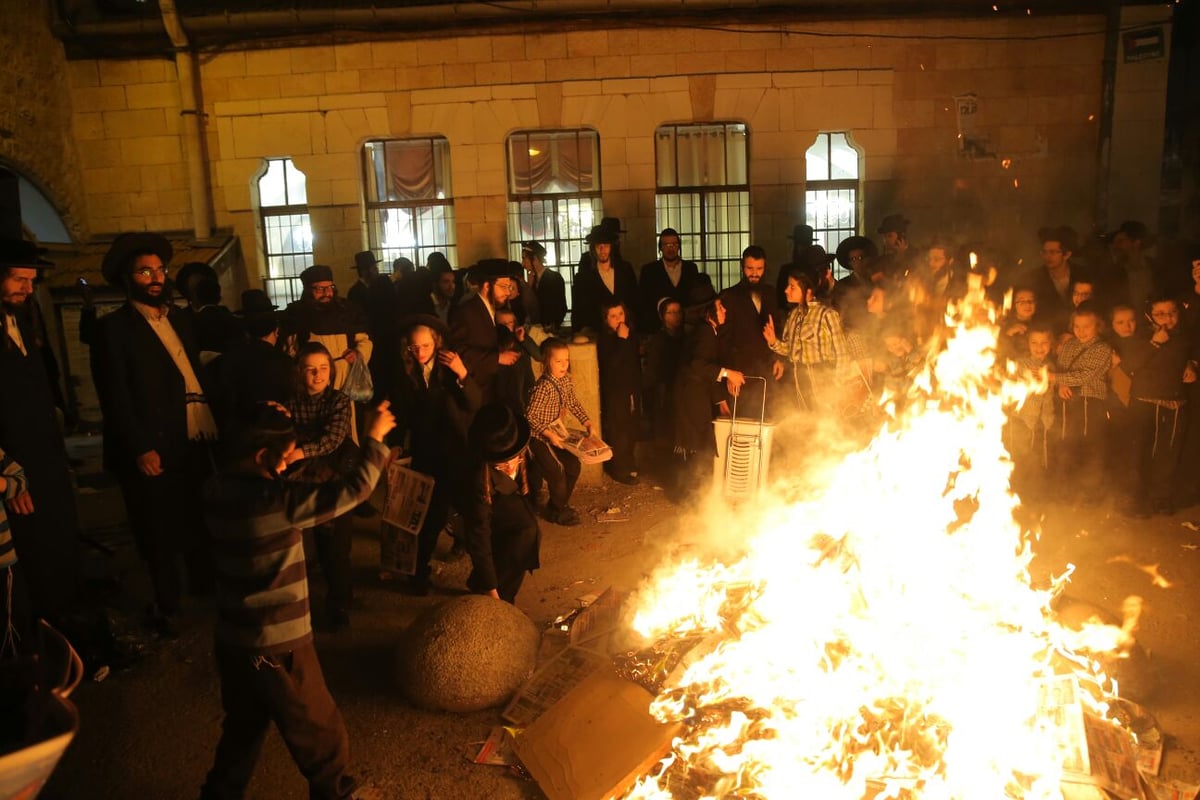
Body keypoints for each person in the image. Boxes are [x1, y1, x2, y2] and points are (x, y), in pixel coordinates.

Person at [199, 401, 394, 800]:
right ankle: (334, 793)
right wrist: (373, 440)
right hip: (278, 644)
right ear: (261, 457)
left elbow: (264, 473)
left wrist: (273, 423)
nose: (289, 463)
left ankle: (218, 795)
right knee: (321, 735)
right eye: (285, 457)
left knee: (244, 728)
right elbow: (355, 490)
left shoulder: (213, 490)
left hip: (234, 640)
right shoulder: (278, 501)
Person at [94, 232, 219, 636]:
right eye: (145, 271)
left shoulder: (180, 318)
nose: (155, 277)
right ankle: (169, 603)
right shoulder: (114, 330)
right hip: (152, 443)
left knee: (198, 514)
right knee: (157, 526)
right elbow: (115, 396)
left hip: (193, 435)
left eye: (159, 269)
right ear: (128, 279)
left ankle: (204, 587)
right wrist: (139, 447)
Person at [0, 238, 83, 623]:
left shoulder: (20, 321)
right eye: (18, 279)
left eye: (30, 281)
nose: (26, 289)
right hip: (14, 467)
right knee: (31, 553)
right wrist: (8, 476)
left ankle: (65, 624)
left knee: (57, 543)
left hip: (45, 459)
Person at [385, 316, 481, 594]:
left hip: (458, 450)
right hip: (427, 452)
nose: (421, 352)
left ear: (437, 341)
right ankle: (418, 575)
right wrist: (395, 444)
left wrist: (463, 373)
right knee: (429, 517)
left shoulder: (450, 365)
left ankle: (485, 579)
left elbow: (474, 403)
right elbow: (400, 413)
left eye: (425, 345)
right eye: (414, 347)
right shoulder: (404, 373)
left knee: (472, 514)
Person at [286, 343, 359, 630]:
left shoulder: (339, 401)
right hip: (302, 479)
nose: (318, 375)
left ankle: (339, 603)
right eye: (311, 369)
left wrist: (301, 450)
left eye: (324, 368)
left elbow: (334, 439)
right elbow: (284, 433)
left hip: (334, 476)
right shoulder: (290, 402)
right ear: (300, 372)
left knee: (336, 547)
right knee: (302, 544)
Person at [1118, 296, 1196, 516]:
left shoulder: (1184, 337)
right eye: (1160, 314)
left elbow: (1189, 355)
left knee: (1168, 452)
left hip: (1175, 404)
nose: (1167, 318)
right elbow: (1129, 366)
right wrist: (1155, 342)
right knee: (1138, 451)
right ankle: (1133, 499)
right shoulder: (1140, 337)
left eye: (1172, 313)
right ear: (1149, 316)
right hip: (1143, 403)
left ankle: (1161, 497)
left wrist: (1192, 365)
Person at [283, 264, 373, 441]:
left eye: (329, 288)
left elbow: (364, 340)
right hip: (313, 379)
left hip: (343, 375)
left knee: (346, 423)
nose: (326, 293)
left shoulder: (348, 311)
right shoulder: (297, 315)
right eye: (319, 289)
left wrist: (357, 354)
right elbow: (290, 349)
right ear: (308, 290)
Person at [462, 403, 541, 604]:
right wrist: (492, 590)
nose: (510, 465)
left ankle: (483, 582)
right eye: (501, 463)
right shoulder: (479, 481)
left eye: (513, 458)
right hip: (484, 505)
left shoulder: (520, 446)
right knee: (524, 532)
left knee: (526, 530)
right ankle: (502, 601)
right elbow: (479, 536)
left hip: (508, 496)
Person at [672, 291, 745, 498]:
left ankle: (695, 492)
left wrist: (720, 400)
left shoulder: (709, 331)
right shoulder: (704, 332)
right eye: (720, 307)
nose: (724, 311)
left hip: (696, 393)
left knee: (699, 440)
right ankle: (692, 494)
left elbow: (708, 367)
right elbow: (698, 365)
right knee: (697, 442)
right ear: (708, 312)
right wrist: (728, 373)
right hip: (691, 395)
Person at [524, 338, 596, 526]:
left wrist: (587, 422)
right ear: (547, 362)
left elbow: (572, 402)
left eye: (567, 360)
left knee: (573, 466)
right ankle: (556, 511)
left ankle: (557, 505)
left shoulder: (564, 381)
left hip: (556, 434)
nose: (564, 365)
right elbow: (529, 417)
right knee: (557, 472)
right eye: (558, 361)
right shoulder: (543, 387)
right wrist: (549, 434)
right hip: (539, 438)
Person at [763, 265, 848, 414]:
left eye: (792, 287)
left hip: (822, 377)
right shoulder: (794, 315)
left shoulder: (826, 315)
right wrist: (773, 342)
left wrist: (837, 385)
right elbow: (790, 350)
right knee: (805, 421)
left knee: (824, 422)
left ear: (808, 291)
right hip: (799, 377)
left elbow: (842, 354)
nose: (786, 290)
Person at [1049, 305, 1113, 503]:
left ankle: (1091, 495)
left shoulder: (1102, 348)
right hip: (1068, 404)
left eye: (1087, 326)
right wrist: (1060, 385)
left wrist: (1054, 377)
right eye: (1077, 326)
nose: (1081, 331)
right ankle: (1065, 493)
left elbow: (1085, 375)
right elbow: (1063, 369)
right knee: (1067, 446)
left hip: (1090, 404)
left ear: (1098, 326)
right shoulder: (1069, 346)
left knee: (1091, 449)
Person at [205, 289, 295, 430]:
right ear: (276, 331)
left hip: (238, 435)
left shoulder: (224, 361)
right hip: (277, 433)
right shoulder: (286, 363)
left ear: (246, 331)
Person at [719, 245, 783, 417]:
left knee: (770, 415)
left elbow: (776, 327)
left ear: (765, 268)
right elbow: (724, 338)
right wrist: (729, 372)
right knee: (744, 418)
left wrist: (778, 358)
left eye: (759, 269)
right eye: (750, 268)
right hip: (740, 370)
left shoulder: (770, 293)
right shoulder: (729, 296)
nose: (754, 273)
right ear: (742, 267)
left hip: (767, 367)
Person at [448, 259, 521, 404]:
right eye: (503, 287)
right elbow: (459, 352)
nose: (508, 292)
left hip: (492, 391)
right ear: (487, 286)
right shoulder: (466, 311)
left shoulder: (493, 309)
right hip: (475, 393)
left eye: (510, 287)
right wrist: (497, 358)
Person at [1007, 322, 1056, 502]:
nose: (1039, 347)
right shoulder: (1021, 364)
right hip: (1021, 420)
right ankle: (1018, 495)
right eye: (1034, 343)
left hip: (1043, 422)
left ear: (1051, 344)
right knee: (1021, 457)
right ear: (1028, 344)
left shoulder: (1051, 366)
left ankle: (1036, 496)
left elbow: (1052, 390)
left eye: (1044, 343)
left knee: (1039, 459)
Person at [596, 300, 642, 484]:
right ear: (606, 319)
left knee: (631, 428)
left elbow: (633, 362)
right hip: (615, 391)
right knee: (618, 430)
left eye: (620, 314)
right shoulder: (605, 339)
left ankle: (630, 464)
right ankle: (620, 469)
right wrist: (622, 340)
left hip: (631, 388)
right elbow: (611, 366)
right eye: (613, 316)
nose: (618, 319)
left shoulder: (630, 334)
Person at [573, 225, 638, 335]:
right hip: (597, 333)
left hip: (625, 331)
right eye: (599, 246)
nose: (602, 250)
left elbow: (634, 300)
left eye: (606, 245)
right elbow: (579, 308)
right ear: (593, 248)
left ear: (612, 247)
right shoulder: (584, 277)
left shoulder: (625, 270)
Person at [638, 228, 701, 333]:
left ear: (679, 246)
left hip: (686, 328)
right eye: (666, 245)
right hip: (658, 329)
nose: (670, 248)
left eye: (674, 244)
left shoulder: (690, 268)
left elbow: (695, 297)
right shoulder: (649, 270)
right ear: (660, 248)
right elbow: (644, 301)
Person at [831, 234, 882, 332]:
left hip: (877, 331)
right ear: (850, 263)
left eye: (861, 257)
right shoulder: (843, 285)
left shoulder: (876, 281)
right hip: (854, 332)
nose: (859, 262)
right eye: (854, 259)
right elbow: (840, 313)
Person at [520, 241, 567, 331]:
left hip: (549, 329)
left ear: (535, 259)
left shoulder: (554, 278)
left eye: (524, 259)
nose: (523, 264)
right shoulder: (531, 279)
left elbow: (561, 306)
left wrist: (554, 324)